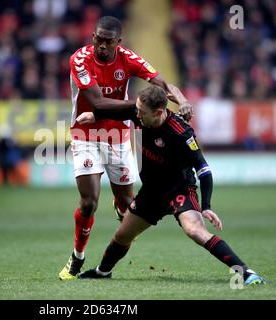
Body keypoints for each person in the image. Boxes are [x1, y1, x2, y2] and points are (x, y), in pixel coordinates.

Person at [75, 85, 265, 286]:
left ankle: (246, 272)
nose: (137, 115)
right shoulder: (137, 112)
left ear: (158, 112)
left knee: (195, 231)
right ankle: (102, 272)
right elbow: (115, 109)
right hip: (151, 191)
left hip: (179, 189)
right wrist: (94, 115)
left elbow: (204, 170)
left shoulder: (181, 132)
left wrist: (207, 206)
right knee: (123, 235)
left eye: (141, 112)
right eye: (137, 109)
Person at [59, 16, 193, 280]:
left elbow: (162, 84)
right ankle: (77, 257)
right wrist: (142, 105)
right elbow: (98, 103)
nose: (102, 46)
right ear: (93, 38)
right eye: (98, 39)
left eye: (108, 41)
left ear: (118, 43)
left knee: (127, 204)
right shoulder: (80, 60)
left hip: (117, 136)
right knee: (88, 203)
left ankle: (108, 263)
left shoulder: (128, 59)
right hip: (86, 133)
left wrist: (182, 99)